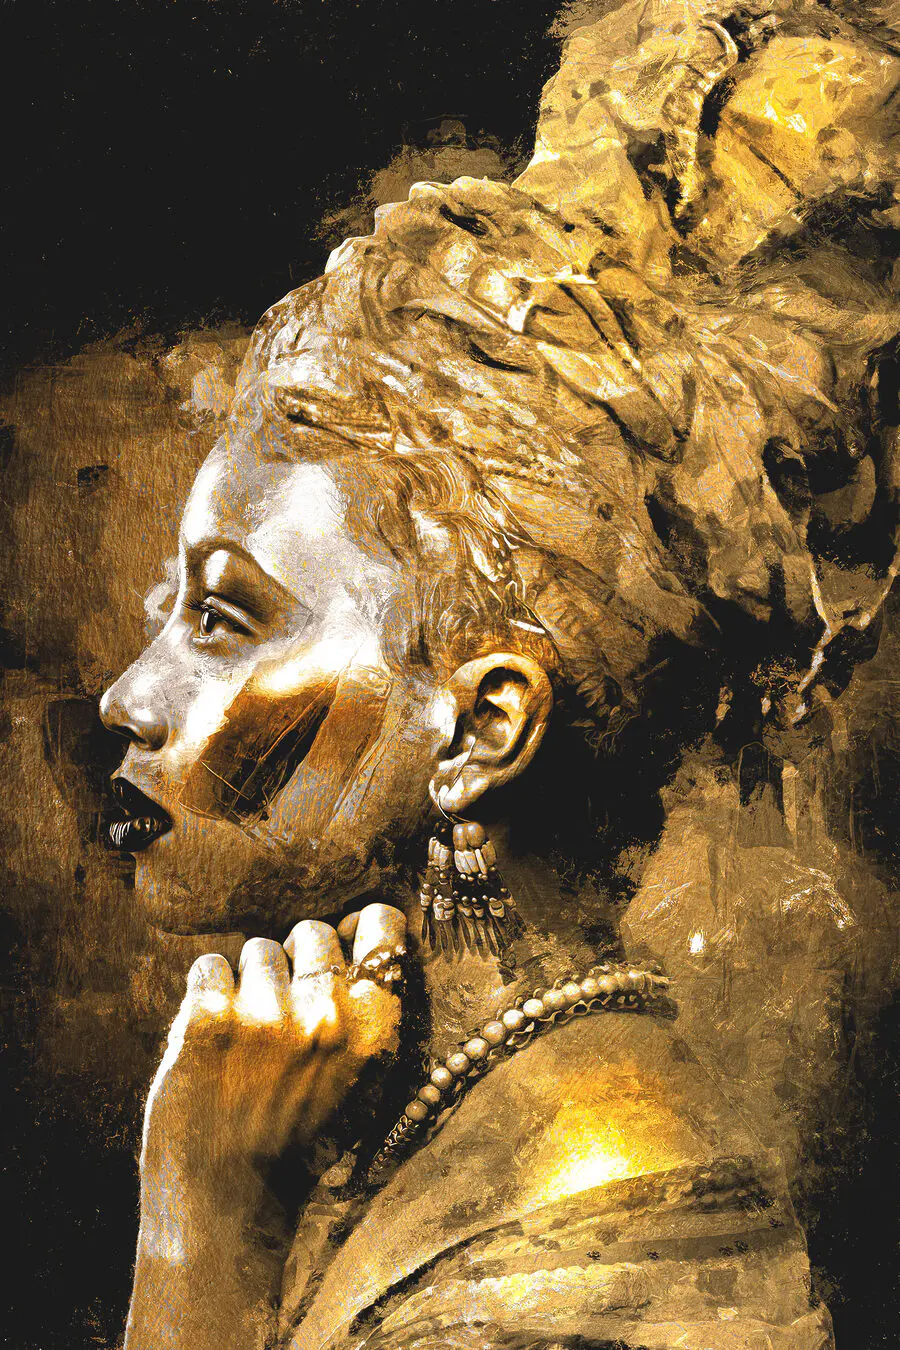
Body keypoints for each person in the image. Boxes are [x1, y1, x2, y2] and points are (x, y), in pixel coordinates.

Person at [98, 1, 900, 1345]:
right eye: (171, 614)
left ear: (482, 726)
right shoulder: (407, 1127)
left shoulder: (583, 1264)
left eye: (224, 619)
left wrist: (202, 1231)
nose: (128, 695)